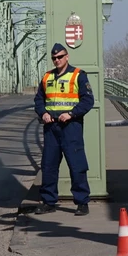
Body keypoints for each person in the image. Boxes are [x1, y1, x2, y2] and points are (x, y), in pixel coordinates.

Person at [33, 43, 94, 216]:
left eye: (60, 57)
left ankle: (82, 202)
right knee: (49, 165)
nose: (57, 60)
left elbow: (87, 100)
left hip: (70, 126)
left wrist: (72, 113)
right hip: (51, 127)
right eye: (54, 58)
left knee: (77, 165)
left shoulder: (78, 75)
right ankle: (48, 201)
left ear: (67, 57)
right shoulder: (46, 77)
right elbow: (39, 100)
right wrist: (43, 112)